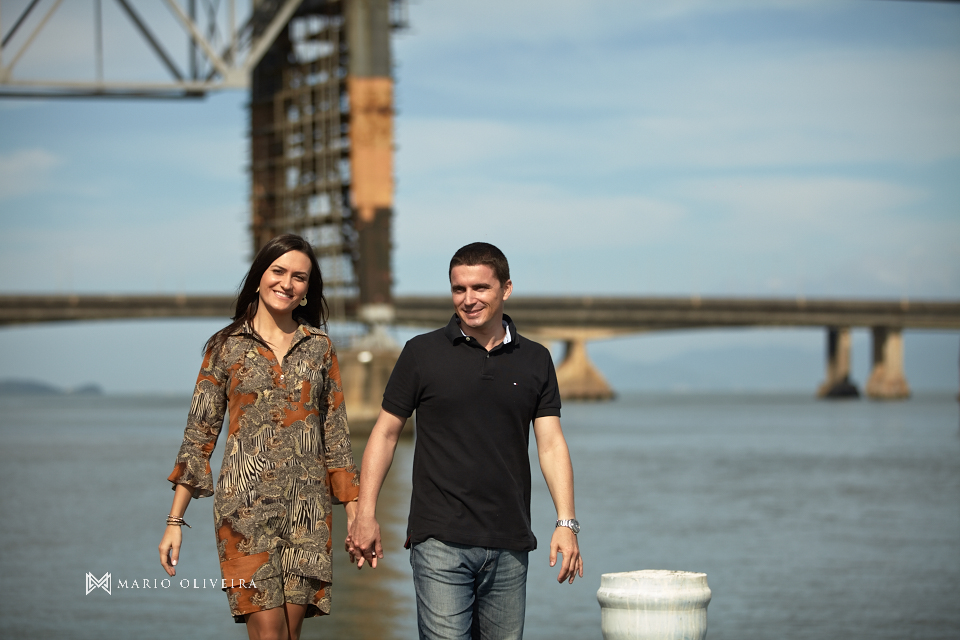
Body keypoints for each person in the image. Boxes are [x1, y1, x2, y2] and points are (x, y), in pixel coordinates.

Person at [348, 242, 583, 640]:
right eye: (459, 289)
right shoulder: (421, 353)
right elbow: (386, 434)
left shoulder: (536, 359)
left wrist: (566, 523)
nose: (468, 299)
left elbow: (551, 444)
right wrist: (366, 513)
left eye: (480, 288)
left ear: (505, 289)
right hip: (439, 539)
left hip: (510, 541)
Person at [159, 234, 360, 640]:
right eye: (278, 271)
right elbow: (198, 434)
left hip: (308, 514)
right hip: (244, 516)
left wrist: (356, 514)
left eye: (299, 277)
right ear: (258, 278)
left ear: (307, 290)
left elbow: (335, 435)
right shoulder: (225, 347)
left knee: (289, 635)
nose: (287, 283)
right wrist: (174, 520)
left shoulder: (319, 348)